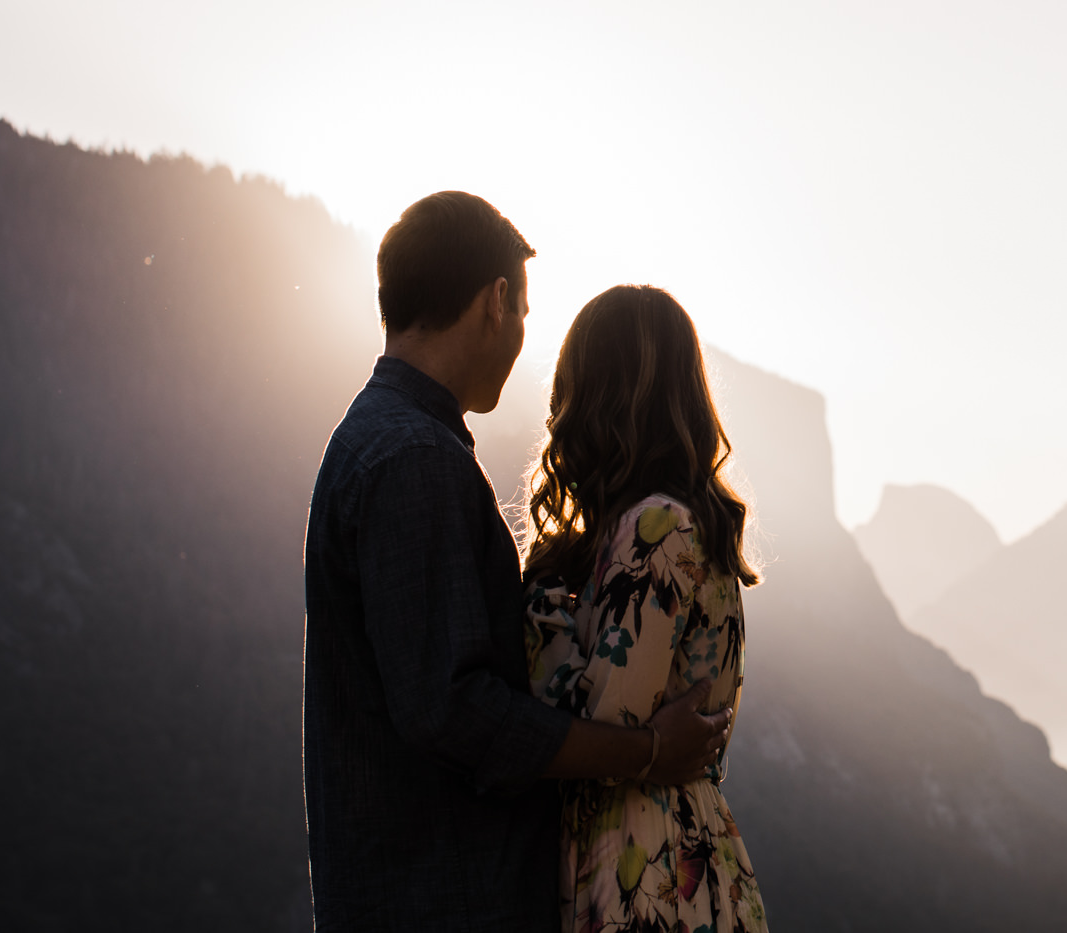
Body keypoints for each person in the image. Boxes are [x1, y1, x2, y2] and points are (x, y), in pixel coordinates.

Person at [303, 193, 732, 932]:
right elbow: (454, 709)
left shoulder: (379, 439)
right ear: (496, 301)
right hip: (443, 896)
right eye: (525, 312)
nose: (523, 337)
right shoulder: (416, 460)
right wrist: (650, 749)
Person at [521, 285, 769, 933]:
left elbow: (601, 724)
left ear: (599, 394)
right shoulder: (690, 524)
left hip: (643, 872)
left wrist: (543, 600)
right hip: (690, 858)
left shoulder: (656, 527)